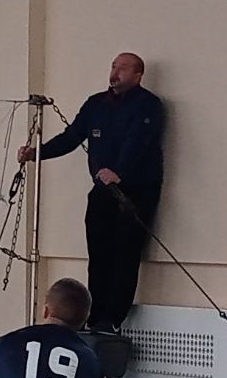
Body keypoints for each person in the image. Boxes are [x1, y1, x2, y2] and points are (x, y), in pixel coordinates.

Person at [33, 52, 165, 332]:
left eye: (123, 68)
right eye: (114, 66)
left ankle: (112, 319)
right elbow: (71, 137)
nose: (115, 72)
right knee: (98, 253)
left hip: (135, 194)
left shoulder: (149, 106)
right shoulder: (96, 105)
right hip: (103, 191)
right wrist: (37, 153)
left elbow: (139, 143)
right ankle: (94, 316)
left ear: (138, 75)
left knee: (125, 254)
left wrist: (120, 172)